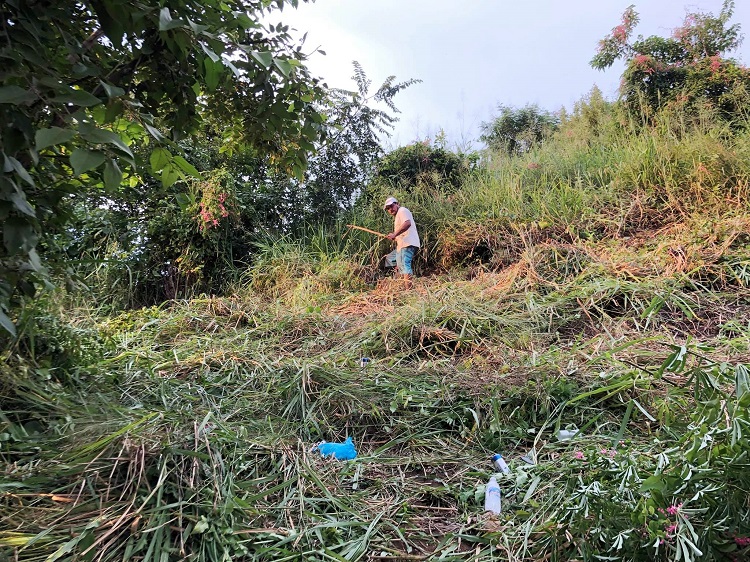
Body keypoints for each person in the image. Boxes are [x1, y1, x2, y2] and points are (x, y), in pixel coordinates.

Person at [383, 196, 420, 287]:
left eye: (391, 206)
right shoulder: (397, 216)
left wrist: (394, 234)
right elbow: (401, 232)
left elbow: (407, 223)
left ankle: (408, 289)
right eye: (388, 208)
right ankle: (402, 284)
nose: (390, 209)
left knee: (404, 264)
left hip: (407, 243)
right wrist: (394, 237)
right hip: (402, 245)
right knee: (391, 259)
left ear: (397, 204)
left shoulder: (402, 210)